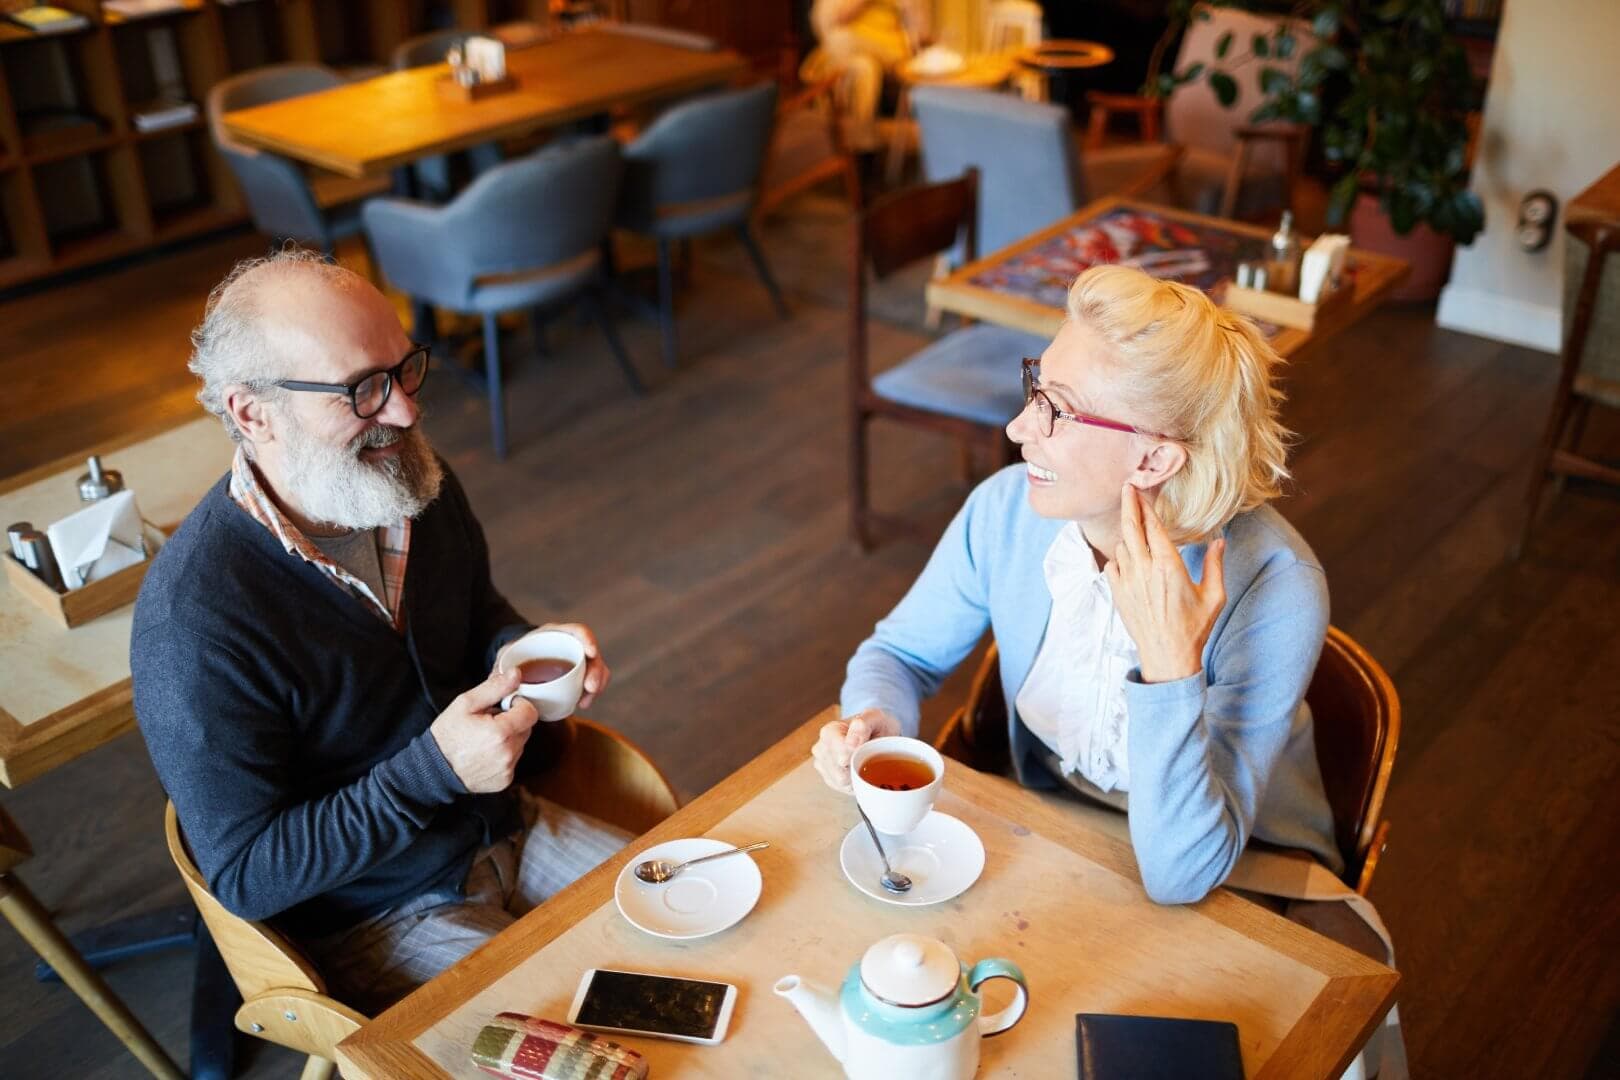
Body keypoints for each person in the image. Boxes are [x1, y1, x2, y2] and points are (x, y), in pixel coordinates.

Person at [133, 248, 626, 1012]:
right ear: (251, 412)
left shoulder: (408, 481)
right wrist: (435, 771)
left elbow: (478, 619)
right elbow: (247, 873)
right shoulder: (195, 619)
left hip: (514, 826)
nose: (404, 409)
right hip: (380, 915)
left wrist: (521, 653)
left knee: (734, 931)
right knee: (608, 1054)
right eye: (361, 389)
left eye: (405, 369)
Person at [812, 263, 1342, 905]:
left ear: (1154, 459)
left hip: (1241, 866)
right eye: (1035, 387)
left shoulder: (1278, 588)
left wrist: (1171, 670)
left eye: (1056, 410)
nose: (1017, 428)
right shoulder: (1004, 513)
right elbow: (900, 654)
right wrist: (874, 718)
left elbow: (1182, 875)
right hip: (1051, 817)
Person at [807, 0, 931, 152]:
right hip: (852, 49)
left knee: (842, 41)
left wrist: (917, 34)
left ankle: (857, 147)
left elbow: (919, 30)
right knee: (865, 67)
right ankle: (862, 144)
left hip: (888, 45)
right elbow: (830, 22)